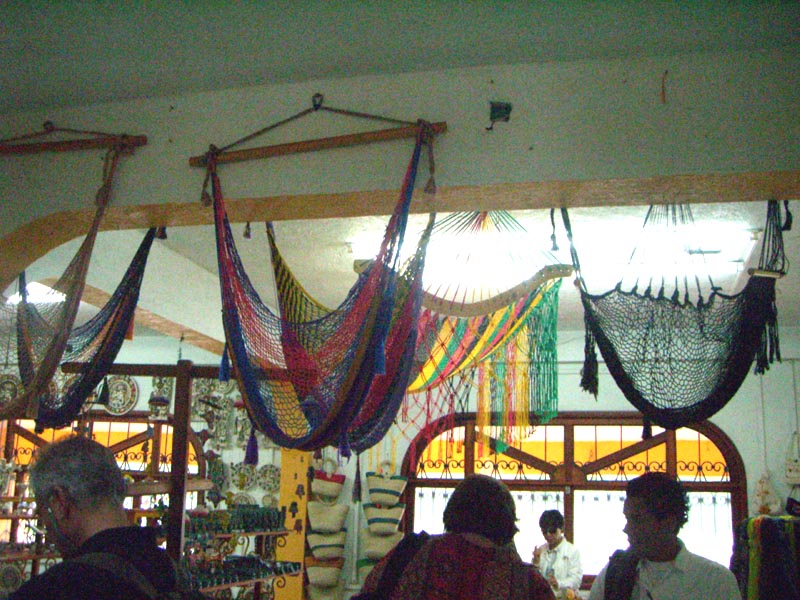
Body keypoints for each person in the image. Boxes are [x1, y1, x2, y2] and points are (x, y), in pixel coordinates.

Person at [9, 435, 193, 599]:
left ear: (59, 503)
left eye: (43, 515)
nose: (48, 532)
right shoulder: (170, 572)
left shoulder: (55, 589)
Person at [359, 473, 555, 599]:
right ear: (507, 521)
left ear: (453, 509)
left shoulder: (411, 552)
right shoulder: (528, 583)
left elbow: (369, 592)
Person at [588, 471, 740, 600]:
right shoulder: (614, 574)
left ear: (669, 523)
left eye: (637, 519)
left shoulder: (715, 581)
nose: (627, 529)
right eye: (627, 519)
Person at [533, 509, 583, 593]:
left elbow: (576, 580)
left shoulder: (572, 552)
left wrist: (559, 583)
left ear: (562, 529)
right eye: (545, 532)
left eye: (552, 531)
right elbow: (533, 580)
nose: (548, 535)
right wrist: (536, 562)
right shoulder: (540, 551)